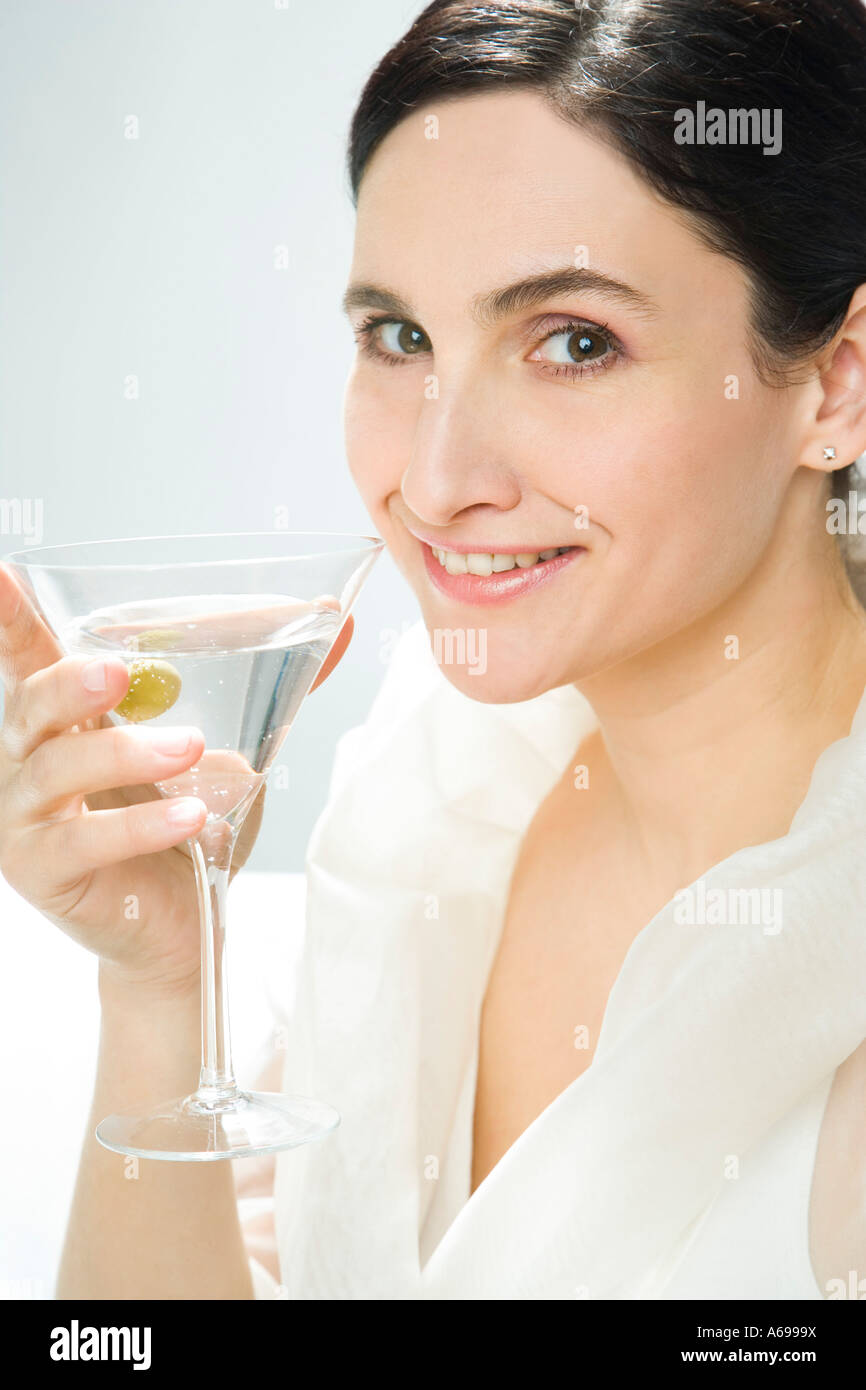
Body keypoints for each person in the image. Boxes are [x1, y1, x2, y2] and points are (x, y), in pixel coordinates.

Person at [2, 0, 866, 1299]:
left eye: (575, 342)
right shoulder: (434, 786)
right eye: (398, 337)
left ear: (835, 382)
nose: (435, 475)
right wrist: (161, 990)